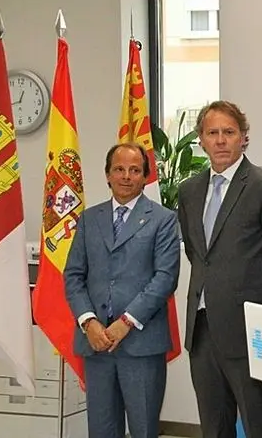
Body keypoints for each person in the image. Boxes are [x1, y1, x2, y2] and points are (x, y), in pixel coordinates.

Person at [178, 100, 262, 438]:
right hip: (202, 330)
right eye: (212, 133)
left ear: (244, 137)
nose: (220, 140)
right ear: (201, 139)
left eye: (229, 132)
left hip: (250, 331)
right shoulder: (189, 191)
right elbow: (197, 254)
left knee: (259, 425)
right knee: (214, 427)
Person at [63, 142, 180, 438]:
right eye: (119, 169)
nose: (126, 176)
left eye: (134, 170)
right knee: (101, 430)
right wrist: (88, 322)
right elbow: (73, 276)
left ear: (145, 177)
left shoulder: (163, 219)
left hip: (141, 345)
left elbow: (165, 279)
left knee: (143, 429)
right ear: (107, 175)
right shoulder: (90, 219)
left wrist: (126, 322)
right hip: (96, 343)